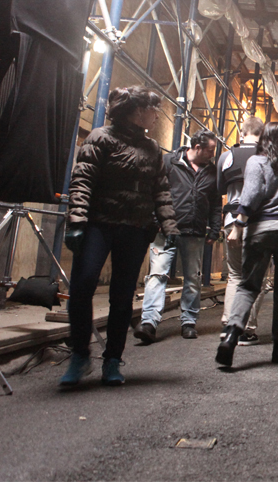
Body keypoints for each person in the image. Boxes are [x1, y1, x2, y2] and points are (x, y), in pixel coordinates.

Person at [60, 86, 179, 387]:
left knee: (122, 296)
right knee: (83, 286)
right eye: (153, 109)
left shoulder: (153, 149)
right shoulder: (100, 138)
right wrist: (77, 221)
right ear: (137, 111)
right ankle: (79, 356)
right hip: (99, 224)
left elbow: (161, 192)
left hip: (135, 229)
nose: (156, 114)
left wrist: (170, 227)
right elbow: (82, 181)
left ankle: (112, 359)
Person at [216, 122, 278, 367]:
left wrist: (239, 224)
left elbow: (252, 194)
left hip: (261, 231)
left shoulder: (256, 161)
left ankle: (232, 336)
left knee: (247, 286)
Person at [134, 129, 222, 343]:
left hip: (194, 231)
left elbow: (216, 203)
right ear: (197, 147)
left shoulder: (211, 172)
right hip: (165, 230)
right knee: (157, 275)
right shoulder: (168, 162)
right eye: (210, 150)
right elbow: (152, 191)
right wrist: (155, 221)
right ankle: (149, 322)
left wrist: (215, 228)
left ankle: (189, 322)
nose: (213, 154)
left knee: (193, 278)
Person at [216, 116, 269, 345]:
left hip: (231, 221)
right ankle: (246, 328)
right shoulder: (268, 158)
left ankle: (229, 324)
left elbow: (219, 187)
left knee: (235, 276)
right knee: (256, 277)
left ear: (242, 133)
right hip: (259, 223)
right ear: (263, 135)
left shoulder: (226, 157)